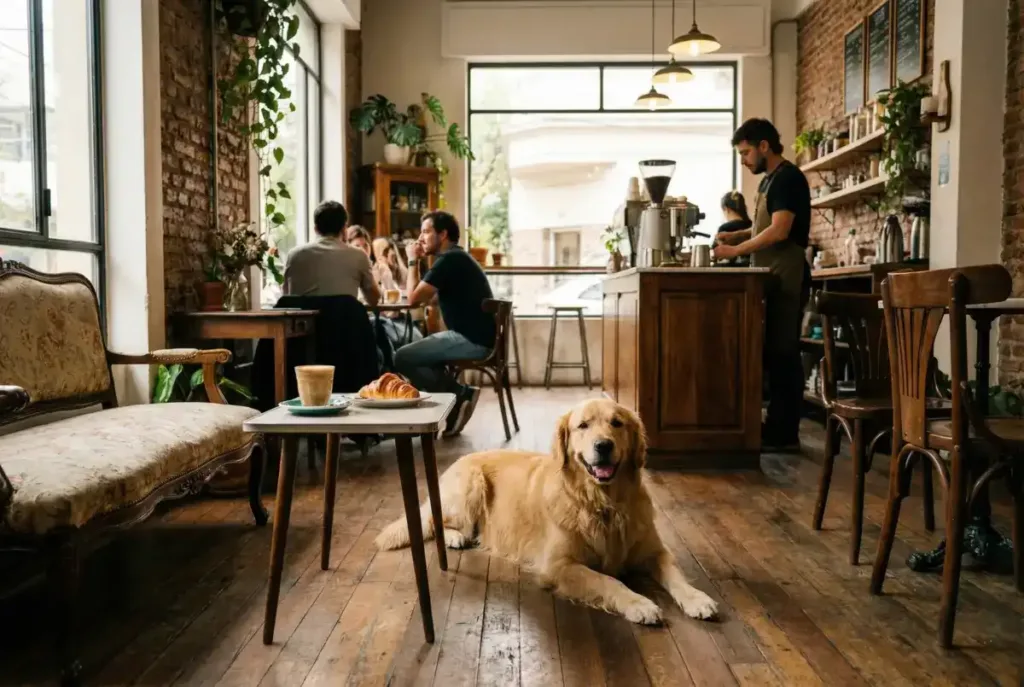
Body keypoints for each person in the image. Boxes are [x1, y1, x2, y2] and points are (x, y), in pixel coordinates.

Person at [712, 118, 811, 451]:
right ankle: (775, 429)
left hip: (788, 273)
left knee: (784, 353)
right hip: (772, 274)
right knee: (773, 351)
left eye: (746, 153)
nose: (744, 160)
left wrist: (735, 250)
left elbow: (781, 230)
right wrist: (737, 233)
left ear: (764, 146)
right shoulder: (770, 181)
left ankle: (786, 435)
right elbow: (762, 227)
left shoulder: (787, 179)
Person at [397, 211, 495, 437]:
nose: (420, 238)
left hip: (471, 339)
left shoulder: (449, 260)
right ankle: (451, 405)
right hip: (476, 336)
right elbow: (427, 297)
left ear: (443, 235)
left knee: (402, 357)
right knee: (423, 357)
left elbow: (413, 299)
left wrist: (412, 260)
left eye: (426, 231)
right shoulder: (455, 258)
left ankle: (459, 395)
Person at [283, 201, 379, 306]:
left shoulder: (294, 255)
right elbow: (374, 300)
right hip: (343, 321)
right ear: (344, 229)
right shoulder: (359, 256)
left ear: (315, 229)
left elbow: (287, 296)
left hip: (307, 322)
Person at [716, 190, 753, 267]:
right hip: (751, 270)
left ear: (727, 209)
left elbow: (717, 254)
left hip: (731, 273)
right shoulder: (753, 226)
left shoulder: (724, 229)